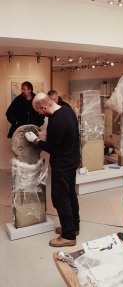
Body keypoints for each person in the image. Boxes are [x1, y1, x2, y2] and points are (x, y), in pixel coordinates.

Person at [25, 93, 80, 247]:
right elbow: (65, 136)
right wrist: (45, 135)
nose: (41, 115)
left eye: (40, 112)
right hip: (73, 160)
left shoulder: (55, 121)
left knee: (60, 198)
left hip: (62, 164)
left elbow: (53, 148)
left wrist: (36, 140)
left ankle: (68, 236)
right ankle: (74, 227)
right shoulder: (67, 111)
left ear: (44, 107)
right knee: (70, 194)